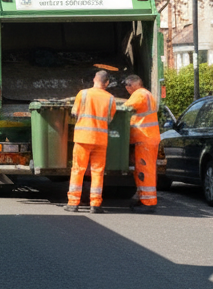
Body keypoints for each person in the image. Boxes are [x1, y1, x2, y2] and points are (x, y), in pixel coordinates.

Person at [67, 70, 117, 214]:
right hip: (100, 139)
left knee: (78, 169)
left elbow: (74, 113)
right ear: (107, 83)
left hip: (83, 138)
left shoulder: (83, 94)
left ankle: (73, 203)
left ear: (94, 79)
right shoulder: (111, 99)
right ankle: (95, 204)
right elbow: (109, 119)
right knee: (98, 172)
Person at [123, 74, 160, 213]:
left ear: (130, 85)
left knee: (145, 170)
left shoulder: (139, 95)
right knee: (142, 169)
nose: (127, 90)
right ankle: (142, 197)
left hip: (145, 138)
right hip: (147, 138)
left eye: (127, 87)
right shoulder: (147, 94)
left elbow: (125, 108)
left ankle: (149, 202)